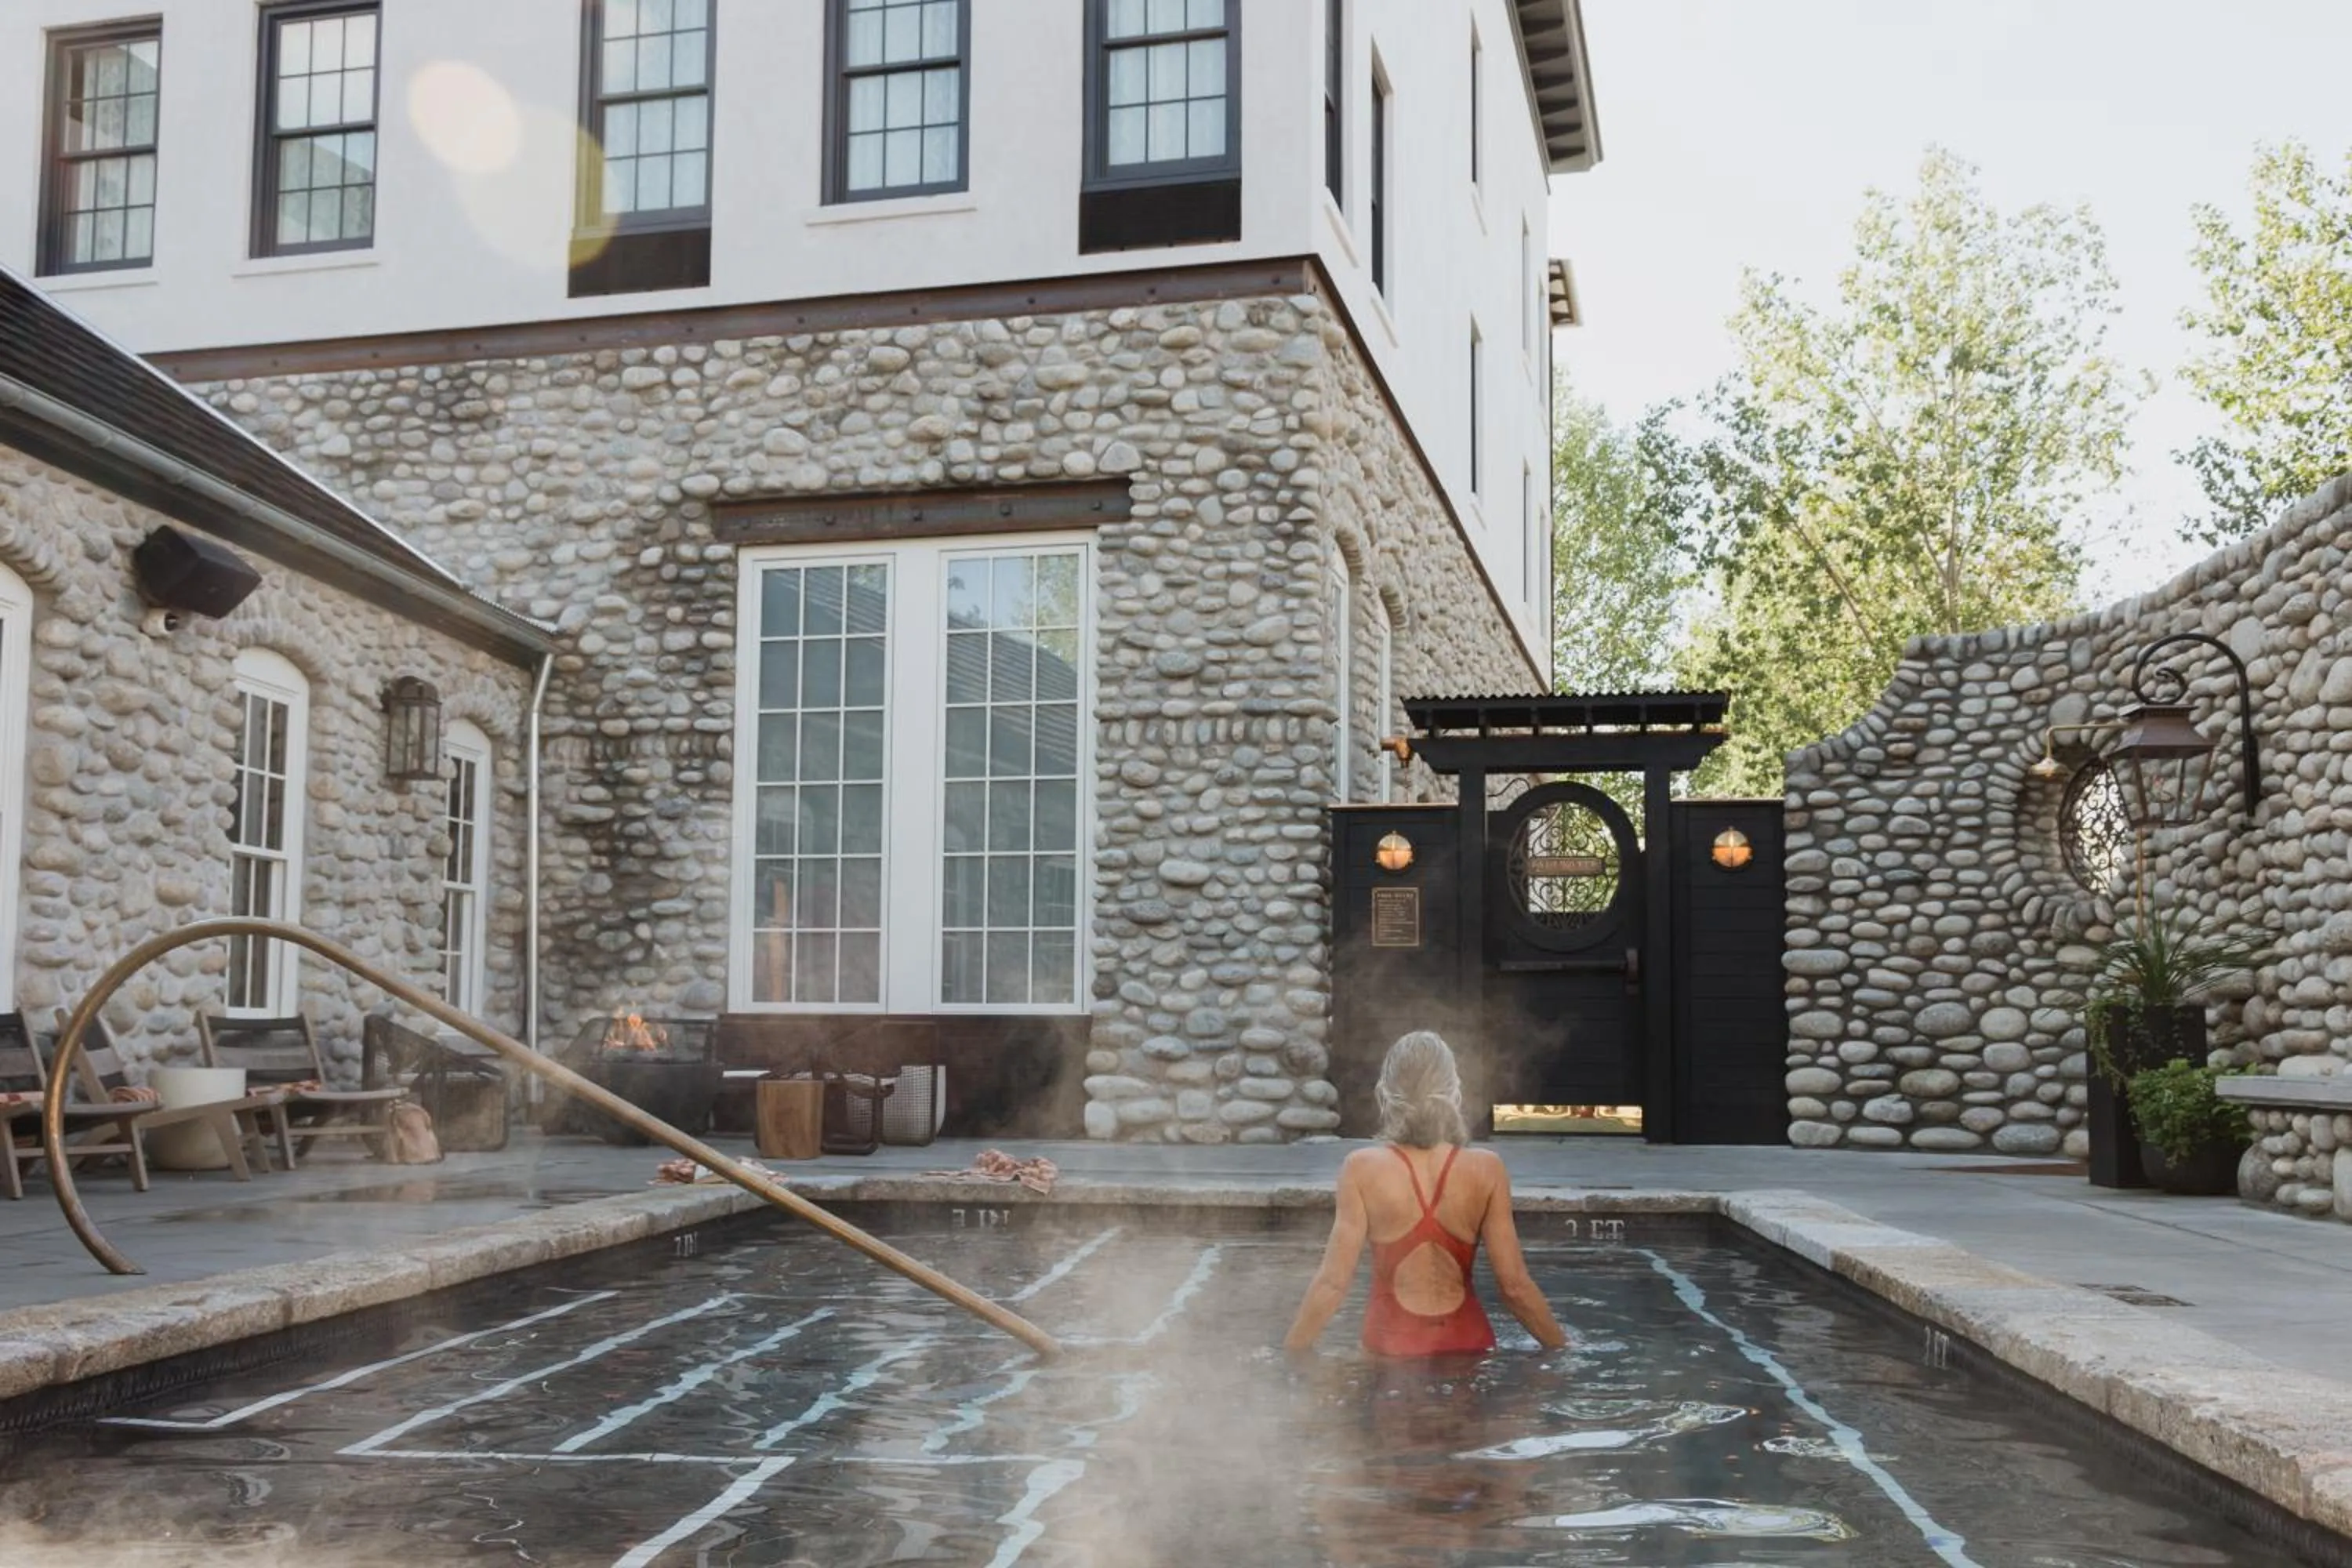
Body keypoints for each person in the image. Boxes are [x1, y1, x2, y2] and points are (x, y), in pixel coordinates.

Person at [1283, 1031, 1569, 1356]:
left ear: (1385, 1092)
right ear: (1454, 1091)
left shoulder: (1361, 1168)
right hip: (1468, 1344)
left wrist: (1290, 1354)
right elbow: (1515, 1288)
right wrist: (1563, 1348)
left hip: (1391, 1347)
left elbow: (1332, 1284)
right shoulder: (1487, 1169)